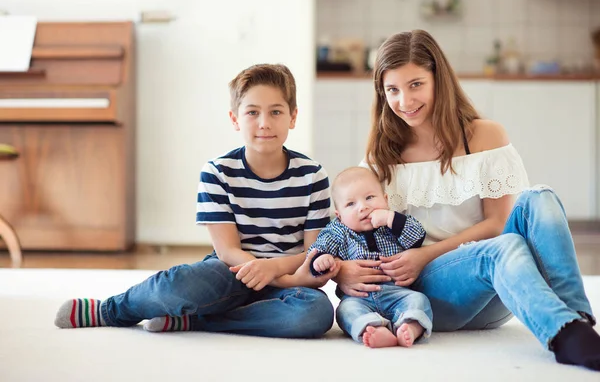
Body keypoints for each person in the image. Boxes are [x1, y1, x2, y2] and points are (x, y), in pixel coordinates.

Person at [332, 30, 600, 370]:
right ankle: (565, 337)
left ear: (438, 80)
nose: (405, 100)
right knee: (502, 247)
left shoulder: (485, 136)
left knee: (539, 197)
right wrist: (342, 271)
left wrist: (424, 253)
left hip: (499, 286)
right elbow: (347, 224)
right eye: (393, 90)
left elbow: (497, 225)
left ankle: (576, 320)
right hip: (426, 298)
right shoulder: (381, 155)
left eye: (416, 84)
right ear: (382, 94)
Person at [54, 63, 339, 338]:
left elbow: (312, 252)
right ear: (235, 119)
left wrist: (275, 271)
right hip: (231, 271)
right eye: (252, 112)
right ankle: (110, 310)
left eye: (276, 112)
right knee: (177, 285)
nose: (264, 123)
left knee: (316, 313)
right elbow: (227, 250)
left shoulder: (312, 175)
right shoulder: (217, 171)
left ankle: (199, 320)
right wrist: (262, 270)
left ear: (292, 116)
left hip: (288, 279)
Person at [309, 166, 431, 348]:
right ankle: (374, 328)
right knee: (345, 311)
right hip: (357, 297)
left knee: (419, 300)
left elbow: (417, 236)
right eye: (351, 204)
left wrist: (390, 218)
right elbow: (319, 247)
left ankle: (410, 327)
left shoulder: (393, 224)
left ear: (386, 200)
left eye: (370, 198)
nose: (363, 207)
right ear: (339, 216)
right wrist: (321, 260)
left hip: (397, 292)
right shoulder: (338, 231)